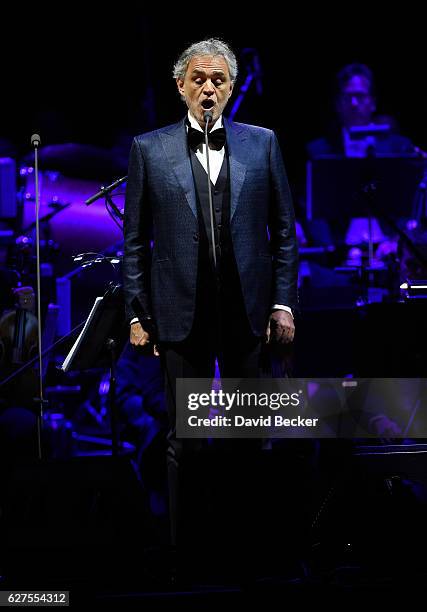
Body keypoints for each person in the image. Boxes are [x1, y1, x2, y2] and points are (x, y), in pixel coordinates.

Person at [122, 38, 298, 575]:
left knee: (250, 438)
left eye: (218, 80)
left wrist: (283, 304)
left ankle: (251, 553)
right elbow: (134, 242)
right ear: (180, 86)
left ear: (231, 88)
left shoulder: (262, 144)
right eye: (198, 78)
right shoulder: (149, 149)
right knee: (187, 443)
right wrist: (136, 313)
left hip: (247, 313)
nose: (208, 88)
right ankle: (185, 553)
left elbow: (286, 234)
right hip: (181, 311)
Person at [307, 63, 414, 159]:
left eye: (360, 96)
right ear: (337, 104)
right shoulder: (318, 152)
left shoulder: (400, 149)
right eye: (347, 97)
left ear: (373, 102)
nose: (354, 103)